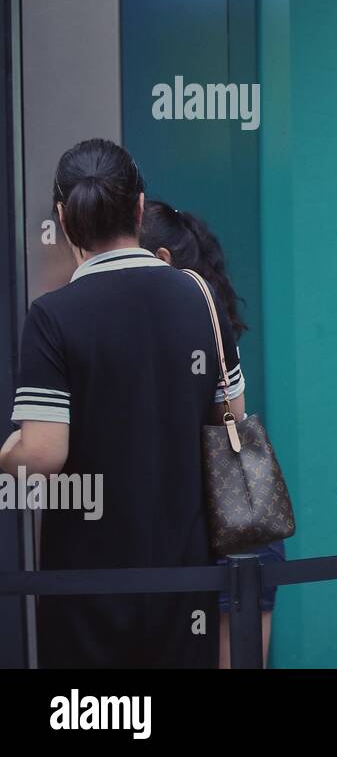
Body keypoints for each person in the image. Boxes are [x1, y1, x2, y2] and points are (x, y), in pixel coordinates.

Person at [2, 139, 240, 667]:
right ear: (139, 207)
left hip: (88, 581)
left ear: (64, 218)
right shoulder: (198, 297)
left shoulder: (53, 317)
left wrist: (6, 456)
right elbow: (233, 418)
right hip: (185, 573)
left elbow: (41, 455)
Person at [139, 200, 282, 669]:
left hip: (225, 517)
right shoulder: (207, 316)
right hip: (229, 518)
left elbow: (228, 417)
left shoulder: (191, 324)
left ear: (161, 259)